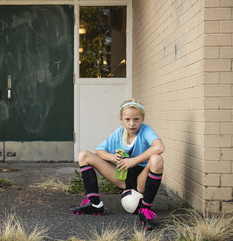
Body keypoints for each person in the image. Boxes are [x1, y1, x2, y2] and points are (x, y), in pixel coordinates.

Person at [70, 99, 165, 231]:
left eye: (136, 119)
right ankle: (94, 204)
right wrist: (112, 157)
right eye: (127, 119)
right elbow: (99, 150)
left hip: (141, 179)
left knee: (157, 159)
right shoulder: (119, 134)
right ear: (121, 119)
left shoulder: (145, 131)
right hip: (122, 177)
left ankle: (145, 210)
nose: (132, 123)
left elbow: (159, 147)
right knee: (84, 155)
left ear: (142, 119)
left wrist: (133, 160)